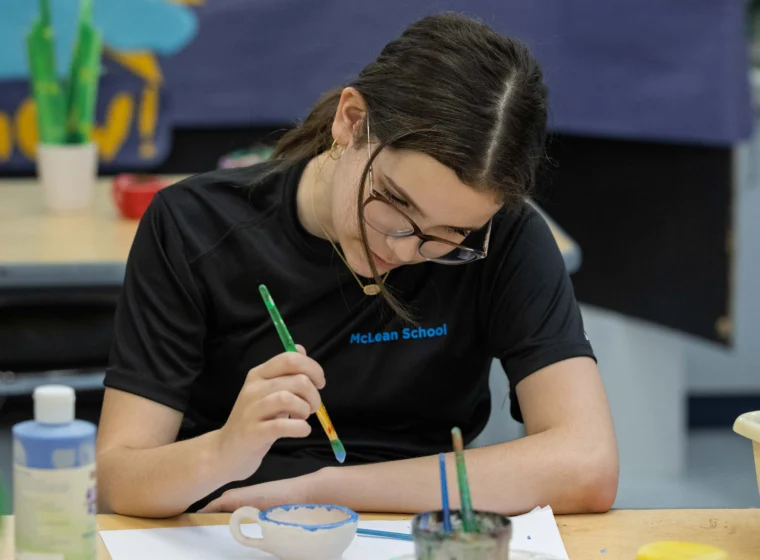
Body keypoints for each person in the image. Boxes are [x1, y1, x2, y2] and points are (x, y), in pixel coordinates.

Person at [96, 12, 618, 518]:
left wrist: (324, 490)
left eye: (450, 236)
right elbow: (121, 480)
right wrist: (224, 452)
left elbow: (587, 464)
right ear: (350, 121)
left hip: (414, 523)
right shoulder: (194, 226)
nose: (404, 249)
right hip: (238, 525)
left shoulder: (504, 236)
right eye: (395, 203)